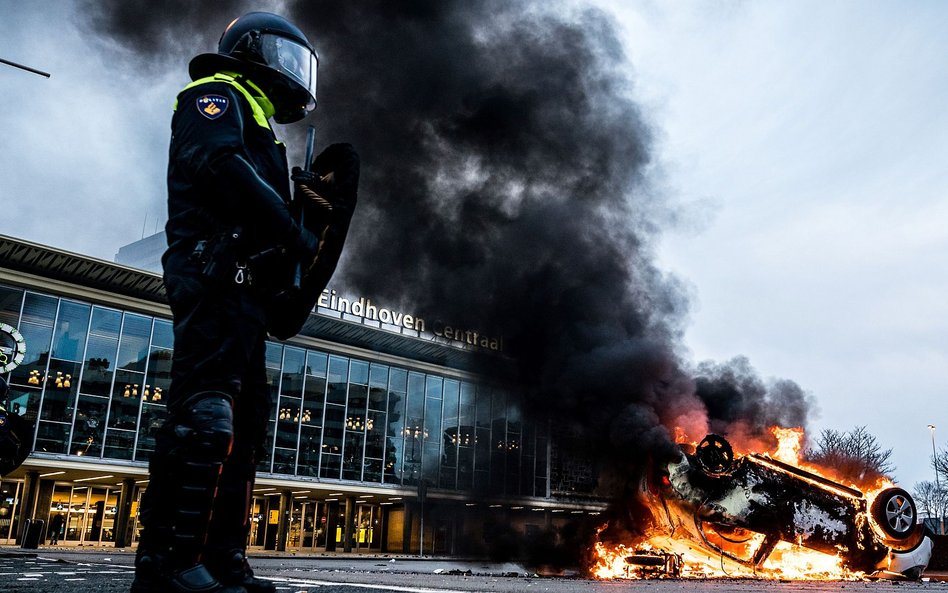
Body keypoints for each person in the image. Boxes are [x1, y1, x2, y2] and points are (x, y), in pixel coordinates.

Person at [132, 12, 358, 593]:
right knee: (203, 419)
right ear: (250, 50)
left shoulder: (262, 126)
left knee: (244, 431)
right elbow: (216, 165)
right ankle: (168, 565)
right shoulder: (214, 95)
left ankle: (223, 559)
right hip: (211, 277)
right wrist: (289, 224)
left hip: (249, 294)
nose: (292, 72)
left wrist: (311, 214)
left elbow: (261, 209)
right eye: (283, 55)